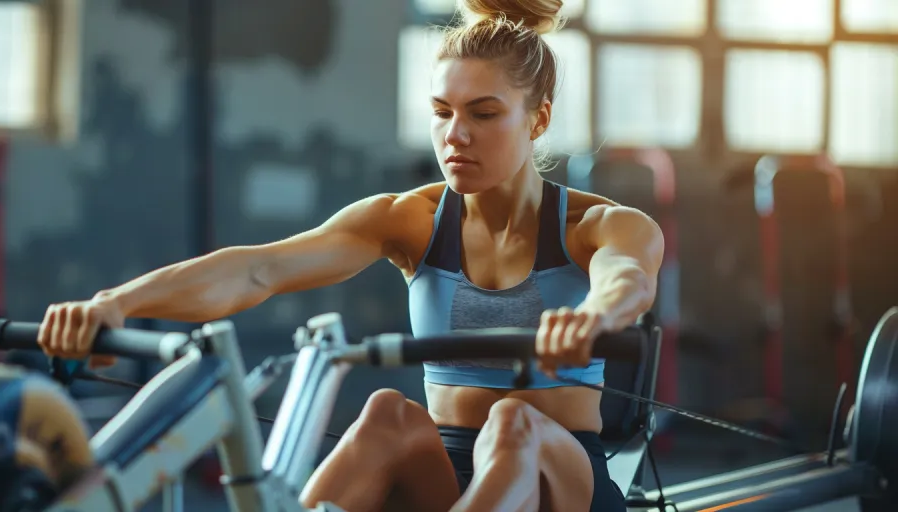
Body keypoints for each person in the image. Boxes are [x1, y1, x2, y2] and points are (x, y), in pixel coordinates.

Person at [37, 0, 665, 510]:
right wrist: (115, 304)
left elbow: (629, 281)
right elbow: (260, 267)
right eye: (441, 113)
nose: (455, 135)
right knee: (389, 411)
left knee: (511, 423)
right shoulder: (411, 220)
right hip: (445, 474)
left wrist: (594, 317)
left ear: (537, 119)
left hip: (565, 480)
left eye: (484, 113)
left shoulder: (595, 225)